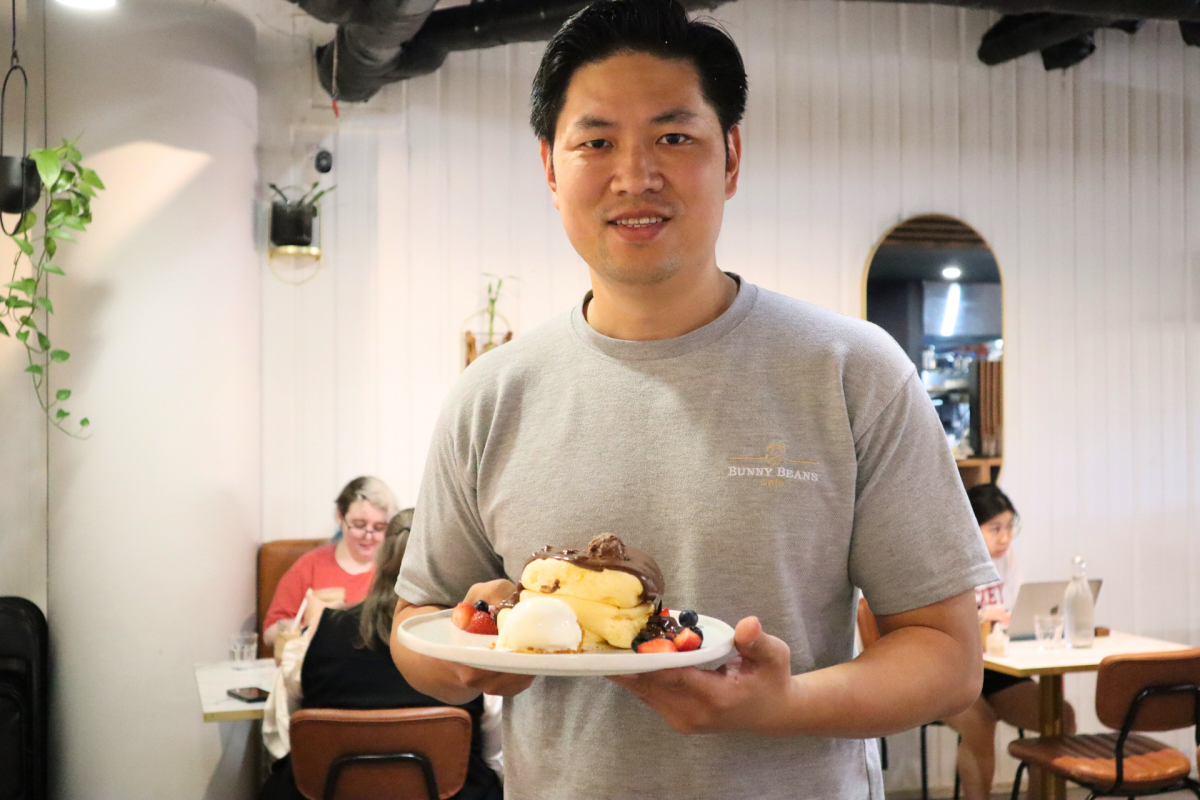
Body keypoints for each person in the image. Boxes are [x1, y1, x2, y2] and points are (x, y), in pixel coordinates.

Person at [389, 2, 999, 797]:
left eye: (674, 137)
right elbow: (415, 629)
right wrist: (474, 657)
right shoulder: (491, 395)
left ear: (732, 156)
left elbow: (949, 660)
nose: (635, 175)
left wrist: (780, 704)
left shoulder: (852, 370)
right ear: (549, 165)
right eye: (596, 140)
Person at [260, 512, 503, 800]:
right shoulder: (473, 645)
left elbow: (281, 735)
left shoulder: (316, 634)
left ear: (380, 560)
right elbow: (496, 753)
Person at [942, 483, 1075, 800]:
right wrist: (986, 618)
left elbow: (1016, 613)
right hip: (952, 673)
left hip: (998, 670)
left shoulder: (1007, 558)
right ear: (969, 527)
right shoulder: (949, 560)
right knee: (980, 722)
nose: (1005, 537)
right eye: (995, 528)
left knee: (1060, 717)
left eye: (1010, 526)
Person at [263, 476, 399, 647]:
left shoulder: (396, 569)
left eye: (379, 528)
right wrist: (311, 627)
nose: (368, 535)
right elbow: (270, 633)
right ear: (340, 517)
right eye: (358, 525)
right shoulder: (310, 565)